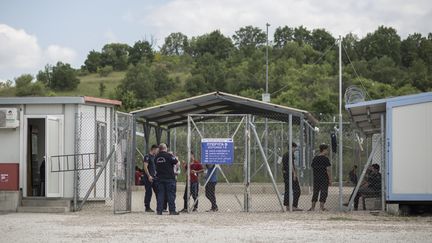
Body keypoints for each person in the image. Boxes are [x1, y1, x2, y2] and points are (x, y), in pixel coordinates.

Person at [154, 143, 179, 215]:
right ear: (165, 148)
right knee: (170, 195)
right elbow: (176, 162)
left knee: (160, 194)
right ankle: (172, 210)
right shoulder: (169, 155)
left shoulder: (156, 157)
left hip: (160, 178)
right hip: (169, 179)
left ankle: (159, 211)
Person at [309, 144, 331, 211]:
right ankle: (321, 207)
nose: (327, 151)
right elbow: (328, 169)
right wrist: (330, 179)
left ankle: (313, 207)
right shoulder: (326, 159)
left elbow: (312, 167)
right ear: (324, 150)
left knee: (315, 191)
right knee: (324, 191)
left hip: (316, 178)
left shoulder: (315, 158)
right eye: (327, 150)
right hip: (324, 177)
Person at [282, 142, 302, 211]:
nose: (295, 149)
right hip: (290, 174)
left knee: (287, 190)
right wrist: (294, 174)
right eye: (294, 148)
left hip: (286, 174)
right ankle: (294, 206)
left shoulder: (285, 155)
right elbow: (291, 165)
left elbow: (284, 166)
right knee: (297, 190)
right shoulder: (290, 154)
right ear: (291, 147)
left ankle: (287, 206)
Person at [142, 145, 158, 212]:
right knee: (149, 192)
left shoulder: (154, 157)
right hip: (148, 177)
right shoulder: (147, 156)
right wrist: (149, 176)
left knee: (158, 191)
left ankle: (160, 207)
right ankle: (147, 207)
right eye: (156, 150)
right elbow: (145, 167)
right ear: (153, 149)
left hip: (154, 177)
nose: (157, 151)